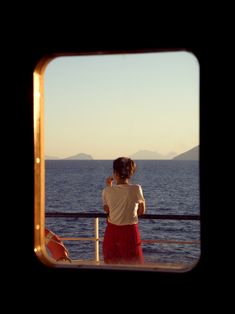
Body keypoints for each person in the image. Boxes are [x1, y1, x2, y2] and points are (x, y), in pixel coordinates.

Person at [102, 157, 146, 264]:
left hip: (112, 233)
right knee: (133, 266)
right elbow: (141, 211)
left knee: (112, 266)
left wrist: (109, 186)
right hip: (130, 233)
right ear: (130, 173)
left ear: (115, 173)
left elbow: (107, 210)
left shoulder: (107, 190)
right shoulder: (136, 189)